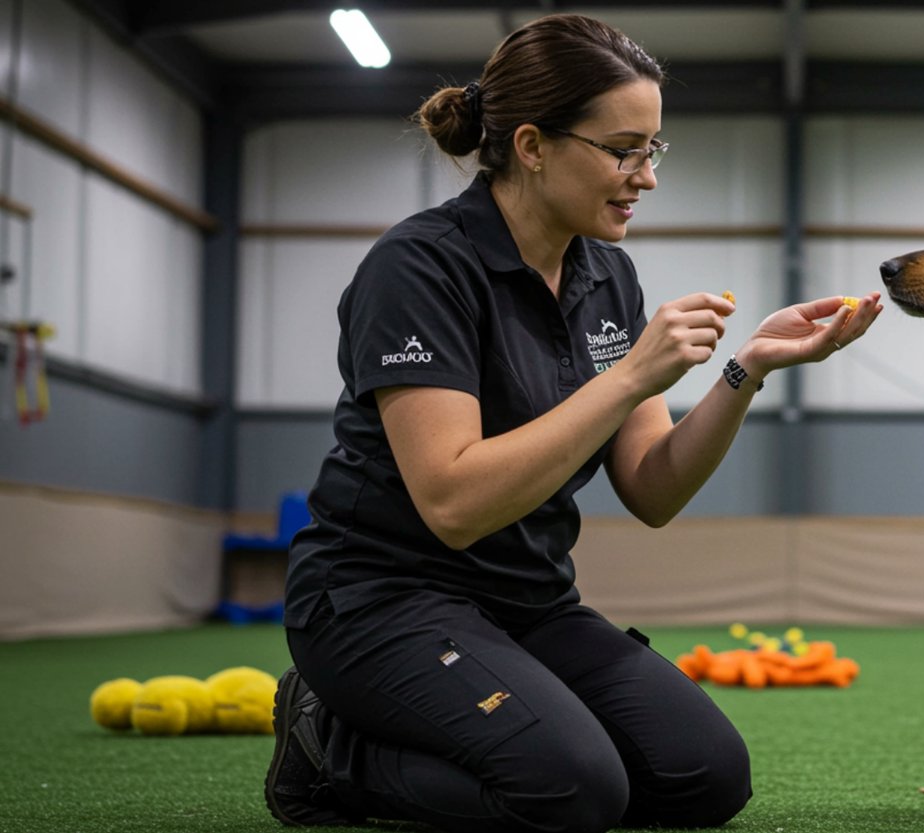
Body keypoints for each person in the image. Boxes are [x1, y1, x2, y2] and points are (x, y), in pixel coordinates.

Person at [263, 14, 883, 833]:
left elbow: (653, 487)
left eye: (653, 150)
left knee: (705, 776)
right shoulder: (417, 267)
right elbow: (454, 503)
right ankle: (328, 748)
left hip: (526, 602)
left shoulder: (605, 276)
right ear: (532, 145)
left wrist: (749, 367)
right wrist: (631, 375)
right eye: (624, 149)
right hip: (383, 599)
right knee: (573, 790)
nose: (646, 177)